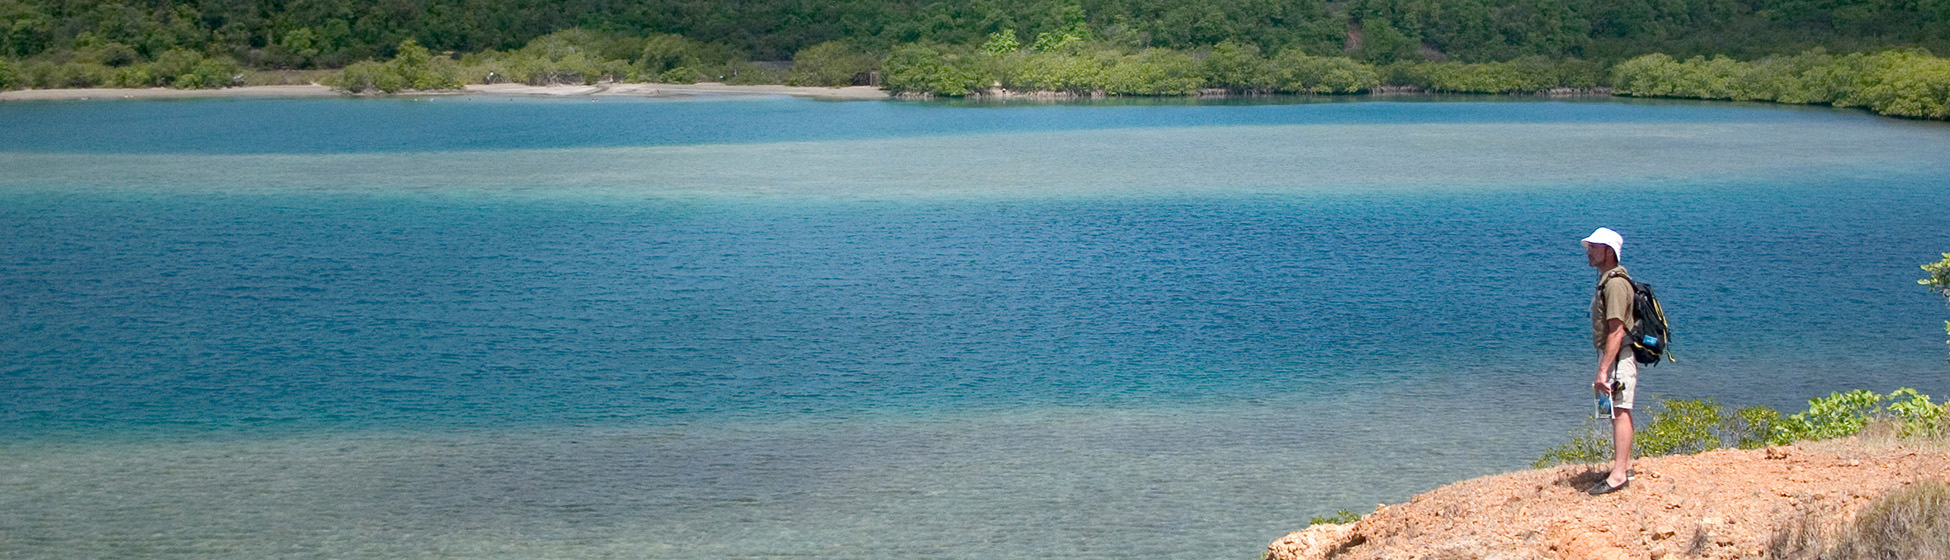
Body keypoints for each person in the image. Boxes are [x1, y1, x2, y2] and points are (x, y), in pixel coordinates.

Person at [1582, 227, 1635, 496]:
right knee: (1612, 410)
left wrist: (1603, 370)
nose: (1588, 251)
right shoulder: (1607, 281)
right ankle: (1620, 466)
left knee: (1620, 410)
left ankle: (1619, 474)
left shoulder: (1615, 284)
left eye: (1594, 246)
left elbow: (1617, 329)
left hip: (1618, 357)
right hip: (1612, 357)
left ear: (1608, 251)